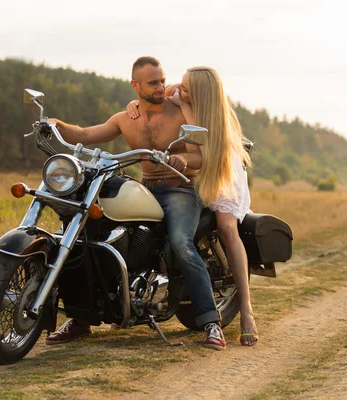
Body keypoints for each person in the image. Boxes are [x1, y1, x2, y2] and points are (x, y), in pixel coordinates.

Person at [45, 57, 227, 350]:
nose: (161, 87)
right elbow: (84, 135)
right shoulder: (125, 118)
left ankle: (211, 322)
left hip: (180, 190)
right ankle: (82, 318)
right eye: (153, 82)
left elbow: (201, 156)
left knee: (182, 243)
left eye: (162, 81)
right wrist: (54, 124)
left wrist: (183, 159)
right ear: (135, 85)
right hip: (146, 189)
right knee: (90, 235)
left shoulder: (181, 113)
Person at [126, 66, 258, 346]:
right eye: (180, 85)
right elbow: (150, 99)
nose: (176, 89)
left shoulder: (220, 118)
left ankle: (246, 310)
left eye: (185, 89)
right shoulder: (179, 93)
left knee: (226, 226)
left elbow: (216, 159)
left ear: (201, 94)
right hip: (191, 176)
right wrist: (133, 105)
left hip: (221, 171)